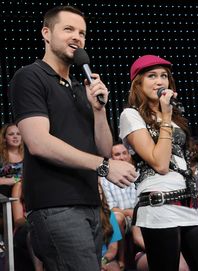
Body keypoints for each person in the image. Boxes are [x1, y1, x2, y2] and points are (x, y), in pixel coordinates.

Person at [9, 6, 137, 270]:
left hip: (91, 205)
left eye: (82, 33)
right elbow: (39, 143)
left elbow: (103, 150)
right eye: (68, 29)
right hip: (56, 206)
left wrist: (99, 111)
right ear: (46, 32)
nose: (77, 37)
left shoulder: (82, 89)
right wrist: (103, 166)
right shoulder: (30, 76)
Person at [119, 54, 198, 271]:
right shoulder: (131, 115)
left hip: (190, 204)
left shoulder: (173, 116)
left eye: (164, 76)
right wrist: (165, 117)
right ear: (138, 83)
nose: (160, 81)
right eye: (152, 76)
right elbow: (160, 164)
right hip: (159, 205)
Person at [101, 143, 138, 270]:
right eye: (117, 154)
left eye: (124, 153)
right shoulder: (105, 179)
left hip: (139, 216)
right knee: (116, 218)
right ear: (111, 159)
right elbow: (110, 207)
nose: (122, 157)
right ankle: (122, 260)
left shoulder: (139, 174)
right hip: (121, 217)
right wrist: (129, 212)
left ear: (129, 155)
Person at [99, 184, 122, 271]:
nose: (98, 197)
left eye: (100, 194)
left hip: (105, 259)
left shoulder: (109, 215)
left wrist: (103, 262)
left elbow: (113, 248)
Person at [0, 123, 23, 197]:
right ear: (4, 138)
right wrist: (12, 180)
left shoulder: (28, 155)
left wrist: (16, 180)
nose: (15, 137)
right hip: (5, 195)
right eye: (11, 134)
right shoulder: (1, 156)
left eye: (18, 134)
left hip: (26, 193)